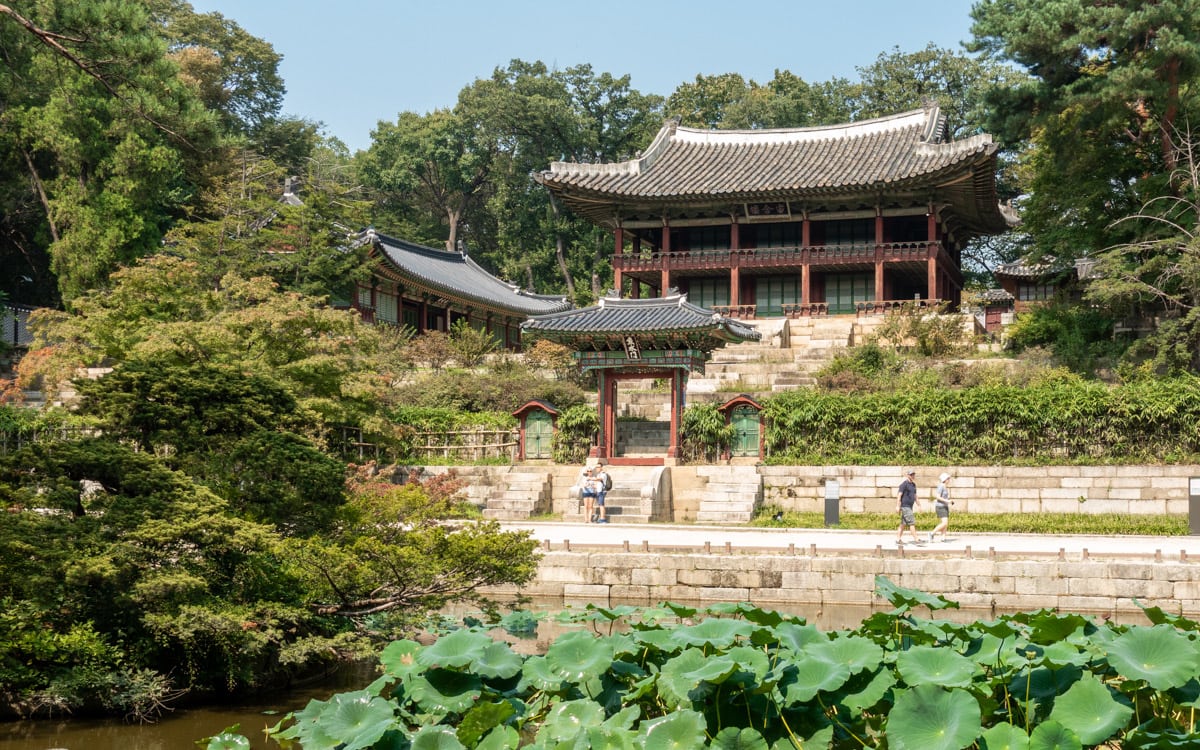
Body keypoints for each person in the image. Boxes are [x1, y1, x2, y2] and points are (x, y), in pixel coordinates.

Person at [896, 469, 923, 545]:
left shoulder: (913, 485)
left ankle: (898, 540)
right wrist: (898, 506)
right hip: (905, 506)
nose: (913, 476)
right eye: (911, 474)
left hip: (910, 506)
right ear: (907, 475)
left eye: (913, 474)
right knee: (912, 523)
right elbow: (899, 495)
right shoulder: (904, 484)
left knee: (903, 524)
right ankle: (916, 540)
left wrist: (919, 505)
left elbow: (915, 496)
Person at [929, 472, 952, 543]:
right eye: (948, 478)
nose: (949, 480)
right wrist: (947, 501)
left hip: (945, 506)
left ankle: (943, 538)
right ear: (945, 479)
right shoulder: (941, 486)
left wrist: (948, 500)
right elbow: (938, 497)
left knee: (945, 523)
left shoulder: (945, 487)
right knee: (944, 523)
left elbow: (943, 497)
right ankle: (932, 533)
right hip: (940, 506)